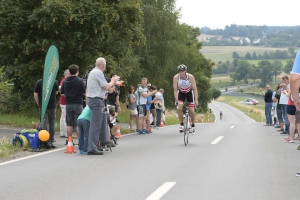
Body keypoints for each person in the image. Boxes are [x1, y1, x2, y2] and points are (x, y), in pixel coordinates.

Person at [86, 57, 122, 155]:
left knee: (102, 123)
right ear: (103, 66)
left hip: (96, 100)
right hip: (96, 100)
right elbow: (106, 86)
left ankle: (103, 143)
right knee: (96, 125)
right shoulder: (98, 73)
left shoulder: (93, 72)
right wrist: (113, 80)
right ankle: (92, 148)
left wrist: (114, 83)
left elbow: (107, 89)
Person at [61, 64, 86, 142]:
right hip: (78, 104)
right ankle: (80, 141)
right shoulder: (80, 80)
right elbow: (84, 92)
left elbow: (62, 93)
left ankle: (69, 141)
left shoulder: (65, 81)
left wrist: (69, 95)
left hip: (68, 104)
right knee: (78, 123)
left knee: (69, 124)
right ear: (77, 72)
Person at [173, 64, 198, 134]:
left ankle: (193, 125)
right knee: (179, 108)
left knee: (192, 111)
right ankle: (181, 124)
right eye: (180, 72)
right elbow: (175, 90)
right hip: (181, 93)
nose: (181, 73)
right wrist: (176, 99)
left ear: (185, 71)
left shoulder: (190, 77)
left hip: (189, 93)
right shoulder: (176, 77)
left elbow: (195, 89)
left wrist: (196, 100)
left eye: (182, 72)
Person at [34, 79, 59, 147]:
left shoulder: (39, 82)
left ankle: (45, 139)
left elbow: (35, 94)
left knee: (44, 122)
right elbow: (57, 92)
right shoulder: (54, 81)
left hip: (43, 105)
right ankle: (51, 139)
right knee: (52, 123)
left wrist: (38, 103)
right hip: (52, 105)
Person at [59, 69, 70, 138]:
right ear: (66, 74)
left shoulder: (63, 80)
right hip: (64, 102)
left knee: (63, 117)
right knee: (65, 117)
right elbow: (60, 88)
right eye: (69, 74)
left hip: (63, 101)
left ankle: (62, 132)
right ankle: (65, 132)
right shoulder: (64, 81)